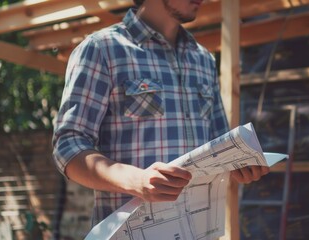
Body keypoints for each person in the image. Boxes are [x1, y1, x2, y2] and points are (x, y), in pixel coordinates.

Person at [52, 0, 270, 227]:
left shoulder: (203, 59)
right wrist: (137, 180)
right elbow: (68, 146)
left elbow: (219, 144)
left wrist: (239, 162)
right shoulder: (102, 49)